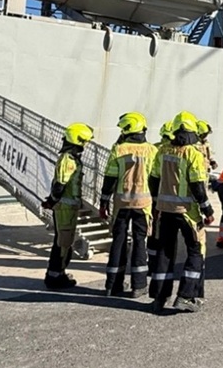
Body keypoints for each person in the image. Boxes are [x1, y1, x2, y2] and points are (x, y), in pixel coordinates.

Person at [149, 110, 215, 314]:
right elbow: (197, 185)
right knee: (195, 251)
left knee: (164, 252)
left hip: (165, 211)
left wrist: (155, 203)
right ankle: (186, 296)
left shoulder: (163, 152)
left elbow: (153, 179)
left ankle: (159, 297)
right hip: (188, 212)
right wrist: (207, 209)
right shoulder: (193, 154)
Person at [100, 112, 158, 298]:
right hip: (144, 204)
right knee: (140, 242)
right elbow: (157, 179)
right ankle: (139, 286)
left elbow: (109, 177)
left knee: (119, 241)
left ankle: (112, 285)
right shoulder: (152, 151)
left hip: (121, 203)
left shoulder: (118, 149)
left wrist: (103, 201)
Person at [41, 122, 94, 290]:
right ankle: (55, 278)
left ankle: (58, 273)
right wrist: (53, 200)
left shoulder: (70, 158)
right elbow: (60, 185)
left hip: (67, 207)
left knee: (64, 242)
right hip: (65, 208)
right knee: (62, 243)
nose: (85, 145)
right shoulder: (68, 160)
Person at [147, 120, 175, 300]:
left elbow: (152, 175)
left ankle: (152, 264)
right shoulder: (175, 151)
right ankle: (156, 266)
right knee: (163, 238)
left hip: (155, 198)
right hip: (170, 201)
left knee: (154, 233)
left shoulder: (155, 149)